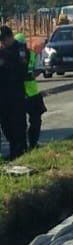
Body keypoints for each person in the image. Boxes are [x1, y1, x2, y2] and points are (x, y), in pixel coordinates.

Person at [0, 26, 28, 159]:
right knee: (5, 123)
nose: (2, 43)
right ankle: (13, 149)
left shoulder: (20, 48)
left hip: (16, 92)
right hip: (3, 93)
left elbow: (21, 68)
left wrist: (6, 64)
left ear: (10, 37)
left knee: (18, 123)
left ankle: (20, 150)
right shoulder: (2, 51)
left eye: (4, 40)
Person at [15, 33, 46, 149]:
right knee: (23, 123)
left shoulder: (31, 55)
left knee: (33, 122)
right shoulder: (11, 57)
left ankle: (31, 144)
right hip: (23, 94)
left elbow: (38, 69)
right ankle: (24, 146)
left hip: (29, 93)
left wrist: (30, 74)